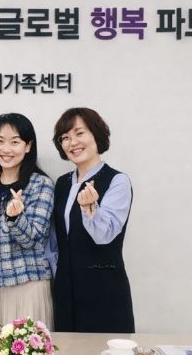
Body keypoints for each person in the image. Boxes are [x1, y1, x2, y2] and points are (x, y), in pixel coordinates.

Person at [51, 107, 135, 333]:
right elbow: (55, 240)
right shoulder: (62, 183)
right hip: (65, 289)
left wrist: (91, 209)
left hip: (103, 288)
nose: (72, 142)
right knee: (67, 351)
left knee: (105, 352)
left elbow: (104, 235)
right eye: (65, 137)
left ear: (96, 135)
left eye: (79, 133)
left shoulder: (117, 181)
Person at [0, 113, 54, 331]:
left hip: (28, 285)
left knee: (27, 349)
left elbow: (33, 240)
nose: (6, 149)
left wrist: (16, 218)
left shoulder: (41, 185)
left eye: (15, 142)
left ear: (28, 146)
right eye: (0, 141)